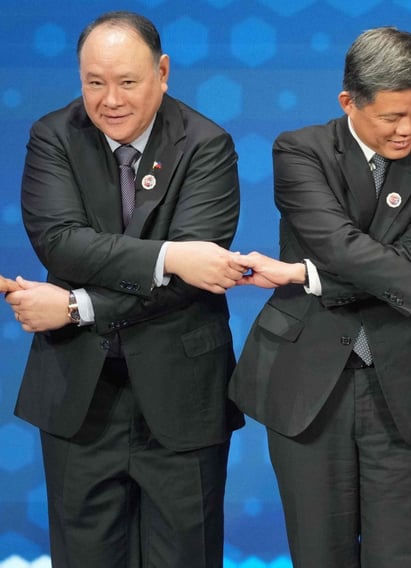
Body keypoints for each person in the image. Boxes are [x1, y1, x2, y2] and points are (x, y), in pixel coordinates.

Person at [228, 27, 411, 568]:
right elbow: (341, 247)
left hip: (401, 381)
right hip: (306, 378)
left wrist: (300, 273)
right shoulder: (300, 150)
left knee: (405, 556)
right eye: (392, 116)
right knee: (320, 554)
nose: (407, 129)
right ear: (349, 102)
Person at [4, 11, 245, 568]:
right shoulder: (53, 135)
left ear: (162, 73)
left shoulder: (206, 144)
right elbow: (61, 244)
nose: (109, 99)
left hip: (182, 393)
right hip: (80, 392)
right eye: (94, 82)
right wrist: (168, 255)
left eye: (127, 82)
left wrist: (75, 304)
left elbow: (194, 280)